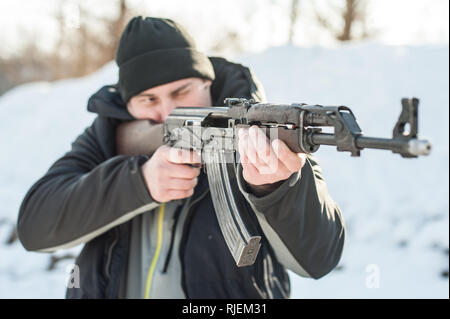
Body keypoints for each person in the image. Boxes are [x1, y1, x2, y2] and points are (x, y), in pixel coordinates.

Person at [17, 16, 345, 299]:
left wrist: (276, 190)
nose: (165, 112)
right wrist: (139, 183)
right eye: (147, 99)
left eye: (181, 92)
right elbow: (34, 226)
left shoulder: (260, 131)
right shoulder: (106, 138)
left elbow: (319, 258)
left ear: (207, 81)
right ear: (127, 105)